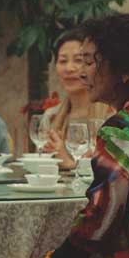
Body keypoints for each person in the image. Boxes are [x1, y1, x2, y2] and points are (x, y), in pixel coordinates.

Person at [14, 14, 129, 258]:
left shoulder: (124, 128)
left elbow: (100, 217)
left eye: (90, 62)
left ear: (124, 70)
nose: (83, 72)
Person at [42, 31, 112, 168]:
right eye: (63, 61)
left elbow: (115, 174)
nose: (69, 68)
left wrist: (69, 163)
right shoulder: (51, 116)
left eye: (79, 60)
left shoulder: (110, 116)